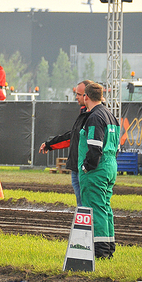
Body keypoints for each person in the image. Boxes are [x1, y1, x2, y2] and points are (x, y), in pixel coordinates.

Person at [79, 82, 119, 259]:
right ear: (102, 97)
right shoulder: (111, 116)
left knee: (96, 209)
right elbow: (116, 145)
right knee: (105, 208)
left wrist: (86, 166)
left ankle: (101, 252)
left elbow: (95, 148)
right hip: (110, 166)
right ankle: (109, 248)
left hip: (97, 169)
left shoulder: (95, 117)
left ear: (86, 97)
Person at [39, 79, 93, 207]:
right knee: (82, 205)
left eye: (79, 94)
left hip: (84, 169)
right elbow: (72, 137)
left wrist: (86, 166)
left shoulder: (94, 115)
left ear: (88, 95)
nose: (76, 97)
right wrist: (50, 144)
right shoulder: (84, 113)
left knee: (86, 206)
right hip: (77, 167)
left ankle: (91, 227)